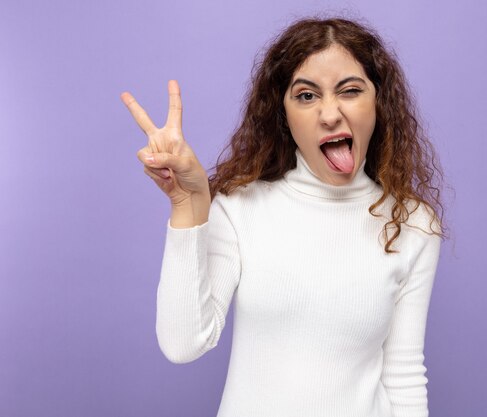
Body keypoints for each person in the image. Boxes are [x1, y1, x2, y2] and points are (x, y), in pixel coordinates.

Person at [121, 17, 445, 417]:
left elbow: (404, 375)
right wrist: (187, 205)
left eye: (350, 90)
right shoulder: (240, 207)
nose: (329, 114)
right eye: (306, 96)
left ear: (378, 102)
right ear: (284, 114)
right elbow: (184, 344)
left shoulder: (412, 224)